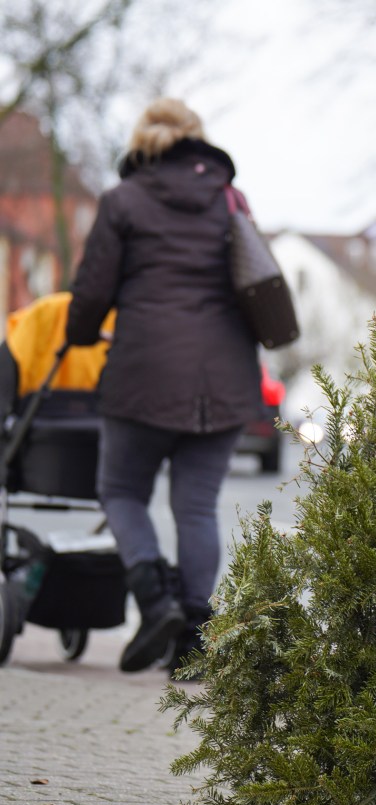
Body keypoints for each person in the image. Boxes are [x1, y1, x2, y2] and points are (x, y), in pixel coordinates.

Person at [67, 98, 261, 676]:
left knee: (122, 490)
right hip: (224, 374)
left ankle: (155, 606)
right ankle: (194, 640)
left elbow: (93, 291)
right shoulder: (231, 200)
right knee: (196, 505)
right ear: (196, 141)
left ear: (142, 141)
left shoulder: (123, 201)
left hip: (144, 373)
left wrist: (78, 332)